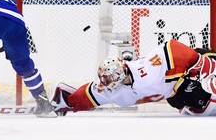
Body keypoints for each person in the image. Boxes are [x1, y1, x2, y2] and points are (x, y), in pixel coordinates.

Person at [51, 39, 216, 116]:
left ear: (119, 74)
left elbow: (172, 47)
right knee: (202, 105)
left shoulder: (146, 69)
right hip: (175, 92)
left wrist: (200, 63)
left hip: (187, 71)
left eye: (109, 79)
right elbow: (87, 95)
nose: (106, 84)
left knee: (207, 66)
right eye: (105, 80)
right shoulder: (111, 91)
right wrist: (67, 102)